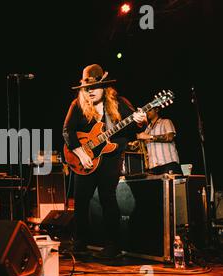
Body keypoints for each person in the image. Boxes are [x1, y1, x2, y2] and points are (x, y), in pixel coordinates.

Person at [63, 64, 147, 258]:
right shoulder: (77, 105)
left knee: (107, 199)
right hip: (83, 158)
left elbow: (134, 129)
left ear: (104, 86)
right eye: (86, 88)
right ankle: (80, 243)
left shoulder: (119, 103)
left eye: (94, 87)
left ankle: (112, 245)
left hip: (110, 158)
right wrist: (81, 153)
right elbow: (67, 130)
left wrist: (141, 120)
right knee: (81, 201)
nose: (90, 91)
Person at [136, 107, 181, 174]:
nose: (147, 112)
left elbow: (170, 137)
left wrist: (149, 137)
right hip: (153, 167)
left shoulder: (166, 121)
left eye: (150, 110)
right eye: (146, 111)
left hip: (168, 163)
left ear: (156, 110)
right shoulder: (147, 129)